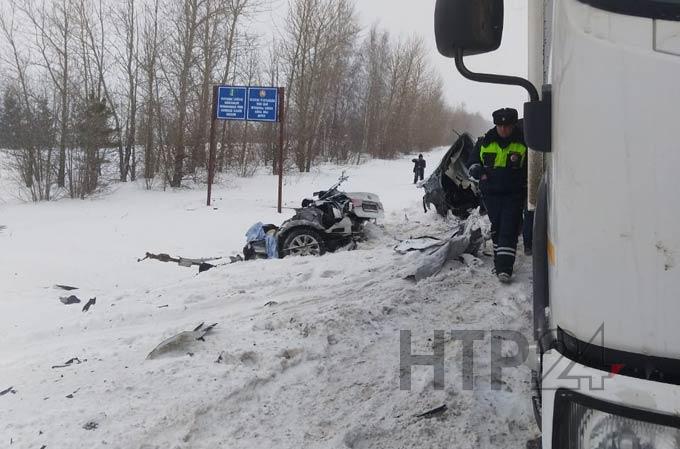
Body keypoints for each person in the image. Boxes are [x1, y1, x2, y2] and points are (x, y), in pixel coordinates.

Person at [468, 108, 527, 283]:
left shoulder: (524, 141)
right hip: (491, 194)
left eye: (507, 126)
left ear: (513, 125)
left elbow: (531, 166)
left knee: (509, 227)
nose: (503, 130)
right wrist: (477, 170)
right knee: (498, 227)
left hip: (514, 193)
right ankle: (499, 260)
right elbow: (472, 162)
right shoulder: (484, 142)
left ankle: (504, 268)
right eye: (500, 126)